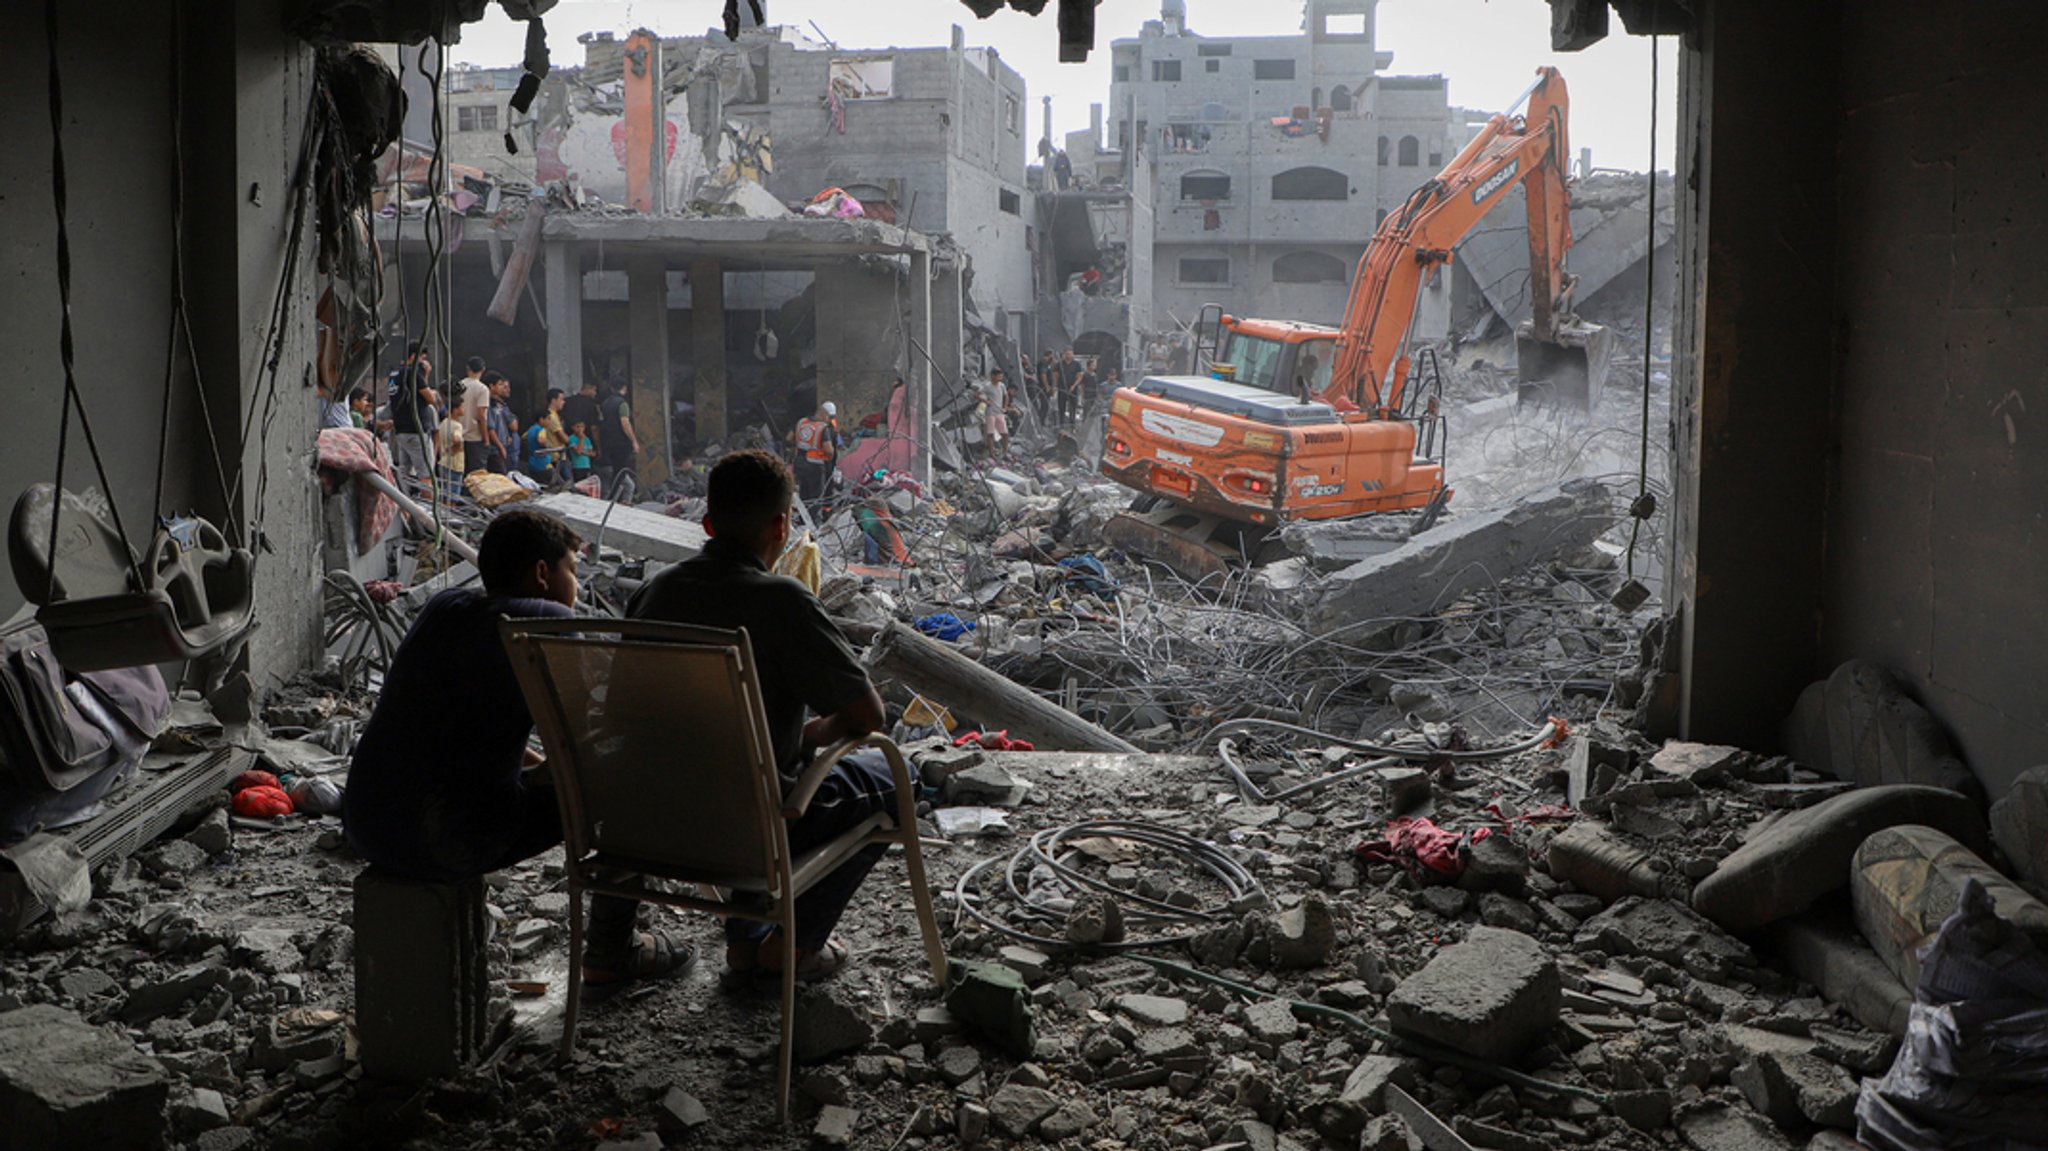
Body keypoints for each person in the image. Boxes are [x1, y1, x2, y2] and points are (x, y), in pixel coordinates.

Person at [343, 509, 692, 985]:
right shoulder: (547, 619)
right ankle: (613, 953)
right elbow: (587, 746)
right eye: (572, 569)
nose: (575, 583)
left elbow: (466, 732)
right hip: (446, 840)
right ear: (543, 574)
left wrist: (546, 769)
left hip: (368, 825)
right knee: (622, 789)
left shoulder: (444, 608)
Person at [626, 450, 892, 981]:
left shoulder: (655, 591)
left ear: (706, 524)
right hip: (751, 827)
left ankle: (722, 941)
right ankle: (789, 948)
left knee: (750, 771)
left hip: (647, 819)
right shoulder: (783, 600)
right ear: (781, 525)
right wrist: (825, 731)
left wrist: (802, 735)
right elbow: (868, 715)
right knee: (889, 781)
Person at [387, 344, 439, 480]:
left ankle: (403, 499)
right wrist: (426, 375)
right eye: (422, 359)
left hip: (401, 431)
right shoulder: (413, 372)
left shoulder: (395, 374)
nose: (424, 363)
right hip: (416, 431)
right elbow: (430, 399)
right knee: (426, 475)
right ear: (414, 357)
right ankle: (429, 500)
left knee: (404, 473)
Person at [788, 401, 838, 504]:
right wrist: (829, 458)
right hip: (815, 466)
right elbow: (828, 450)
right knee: (816, 498)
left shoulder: (801, 422)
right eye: (830, 417)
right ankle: (814, 519)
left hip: (799, 463)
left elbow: (789, 438)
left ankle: (803, 518)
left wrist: (802, 443)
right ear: (824, 413)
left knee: (804, 494)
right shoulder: (822, 428)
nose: (829, 420)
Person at [598, 379, 640, 490]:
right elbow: (625, 423)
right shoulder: (622, 403)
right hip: (620, 443)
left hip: (607, 441)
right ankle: (615, 499)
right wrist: (634, 441)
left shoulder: (605, 403)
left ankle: (609, 496)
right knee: (620, 472)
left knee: (610, 473)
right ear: (624, 388)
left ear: (612, 388)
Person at [457, 357, 491, 474]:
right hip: (475, 438)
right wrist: (486, 439)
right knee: (477, 475)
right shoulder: (482, 389)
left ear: (467, 368)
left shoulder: (459, 386)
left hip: (458, 436)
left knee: (461, 472)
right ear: (483, 369)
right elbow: (481, 416)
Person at [485, 371, 519, 475]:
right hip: (495, 449)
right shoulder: (488, 404)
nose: (503, 388)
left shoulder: (500, 405)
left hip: (502, 447)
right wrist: (500, 447)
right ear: (491, 386)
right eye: (500, 385)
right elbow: (490, 429)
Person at [562, 380, 604, 462]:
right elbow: (594, 428)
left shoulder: (567, 401)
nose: (595, 394)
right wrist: (598, 446)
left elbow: (561, 420)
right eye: (594, 390)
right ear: (588, 389)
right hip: (586, 442)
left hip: (569, 440)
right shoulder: (592, 405)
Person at [980, 370, 1010, 460]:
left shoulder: (1002, 385)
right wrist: (986, 401)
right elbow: (977, 395)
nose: (1000, 378)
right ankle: (991, 454)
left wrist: (1005, 407)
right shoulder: (987, 386)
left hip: (999, 412)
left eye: (1001, 376)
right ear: (993, 376)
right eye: (998, 376)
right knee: (991, 434)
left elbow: (1006, 396)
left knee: (1004, 433)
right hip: (990, 412)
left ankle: (1005, 452)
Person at [1057, 347, 1083, 428]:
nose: (1069, 355)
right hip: (1062, 388)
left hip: (1073, 389)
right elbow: (1055, 376)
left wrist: (1074, 386)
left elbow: (1080, 377)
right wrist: (1055, 386)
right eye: (1067, 354)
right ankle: (1061, 425)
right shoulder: (1059, 364)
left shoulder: (1077, 364)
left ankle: (1072, 425)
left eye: (1070, 354)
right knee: (1061, 407)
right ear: (1064, 354)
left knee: (1072, 407)